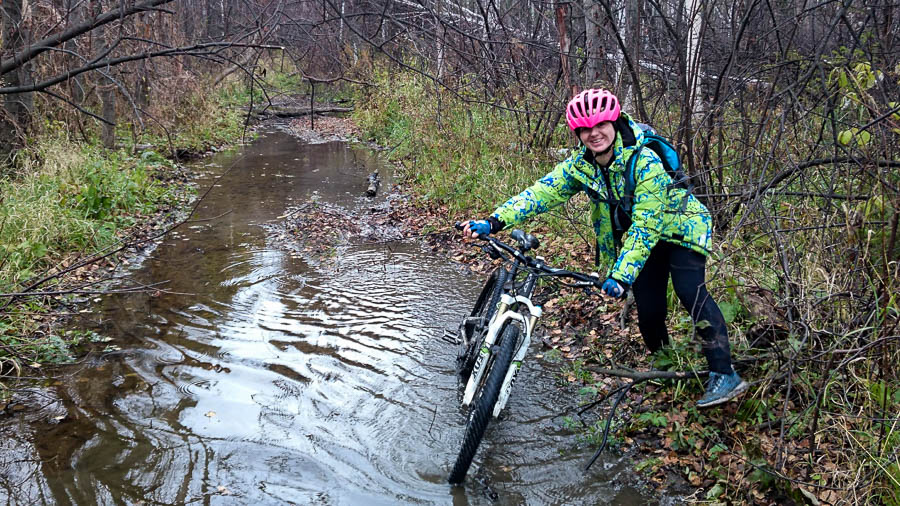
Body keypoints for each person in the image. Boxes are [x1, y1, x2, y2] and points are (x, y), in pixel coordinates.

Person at [461, 88, 747, 407]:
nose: (593, 134)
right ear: (577, 133)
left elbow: (646, 224)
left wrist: (621, 275)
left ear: (614, 121)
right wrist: (495, 220)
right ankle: (666, 364)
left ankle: (724, 374)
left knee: (688, 290)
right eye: (584, 129)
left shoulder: (643, 160)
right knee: (649, 311)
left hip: (682, 229)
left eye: (600, 125)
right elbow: (542, 192)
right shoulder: (583, 164)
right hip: (646, 239)